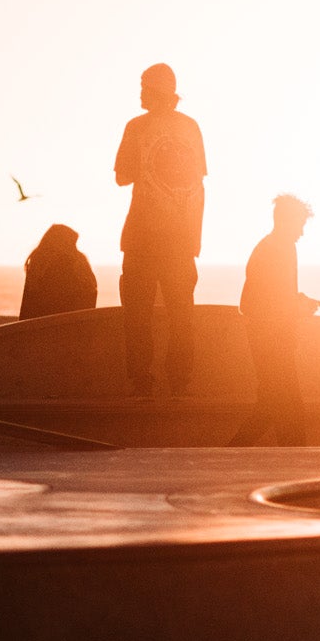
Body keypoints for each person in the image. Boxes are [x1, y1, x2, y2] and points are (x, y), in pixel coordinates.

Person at [114, 63, 207, 397]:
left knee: (137, 318)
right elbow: (197, 185)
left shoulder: (136, 126)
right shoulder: (191, 128)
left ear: (154, 90)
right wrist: (193, 240)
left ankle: (142, 382)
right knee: (182, 317)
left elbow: (121, 176)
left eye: (142, 86)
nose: (139, 92)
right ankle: (180, 382)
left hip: (142, 240)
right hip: (182, 244)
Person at [227, 194, 320, 445]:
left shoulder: (274, 247)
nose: (302, 232)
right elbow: (261, 303)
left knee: (271, 408)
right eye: (300, 225)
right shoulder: (277, 249)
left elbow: (266, 297)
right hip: (273, 344)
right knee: (289, 410)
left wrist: (297, 301)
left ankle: (231, 454)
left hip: (272, 342)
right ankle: (292, 463)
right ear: (288, 222)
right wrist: (297, 307)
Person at [20, 225, 98, 321]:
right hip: (69, 327)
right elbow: (87, 299)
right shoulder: (69, 264)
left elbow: (27, 311)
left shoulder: (38, 264)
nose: (75, 249)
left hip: (38, 329)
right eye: (72, 244)